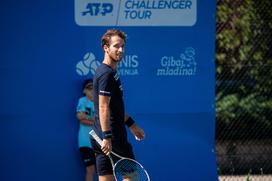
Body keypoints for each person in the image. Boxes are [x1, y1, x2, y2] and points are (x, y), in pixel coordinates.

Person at [92, 29, 145, 181]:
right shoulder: (106, 74)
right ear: (106, 48)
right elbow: (103, 107)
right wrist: (108, 137)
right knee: (132, 178)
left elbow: (115, 108)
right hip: (112, 138)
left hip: (99, 136)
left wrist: (132, 125)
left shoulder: (108, 72)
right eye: (116, 46)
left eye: (122, 46)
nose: (120, 50)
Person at [76, 79, 96, 181]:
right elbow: (80, 117)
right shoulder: (82, 101)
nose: (92, 90)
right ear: (84, 91)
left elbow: (103, 121)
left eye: (94, 88)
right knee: (90, 170)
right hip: (85, 143)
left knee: (105, 170)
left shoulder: (101, 102)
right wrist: (93, 120)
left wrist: (86, 117)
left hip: (101, 143)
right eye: (89, 88)